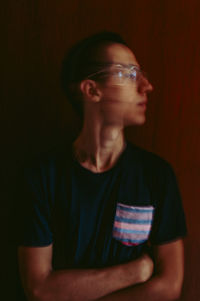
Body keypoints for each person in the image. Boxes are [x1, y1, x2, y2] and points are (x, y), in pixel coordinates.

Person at [18, 32, 187, 301]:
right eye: (130, 74)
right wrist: (135, 272)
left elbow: (169, 287)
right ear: (92, 90)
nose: (146, 86)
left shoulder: (156, 175)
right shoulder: (41, 178)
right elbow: (40, 289)